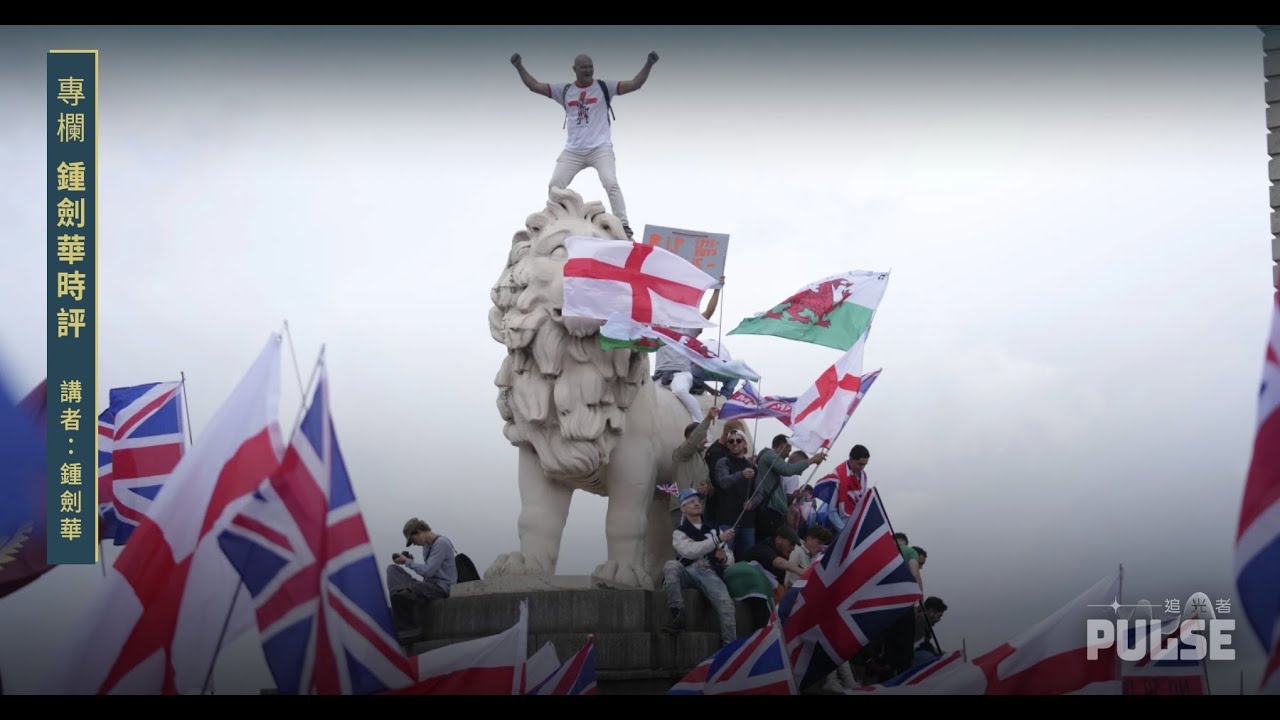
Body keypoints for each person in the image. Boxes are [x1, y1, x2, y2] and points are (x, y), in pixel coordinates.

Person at [510, 51, 659, 239]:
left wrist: (649, 63)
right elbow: (534, 86)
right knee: (555, 185)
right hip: (574, 151)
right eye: (583, 67)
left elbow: (635, 84)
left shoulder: (605, 87)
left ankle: (623, 223)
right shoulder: (564, 90)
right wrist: (519, 66)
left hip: (600, 148)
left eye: (590, 66)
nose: (588, 70)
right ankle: (555, 221)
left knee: (610, 182)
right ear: (575, 70)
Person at [661, 488, 737, 647]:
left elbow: (730, 557)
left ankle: (729, 648)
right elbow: (690, 551)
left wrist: (723, 559)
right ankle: (677, 614)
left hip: (710, 572)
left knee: (727, 607)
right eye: (691, 501)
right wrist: (717, 540)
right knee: (671, 566)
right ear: (683, 508)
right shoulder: (679, 532)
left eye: (698, 500)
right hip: (688, 570)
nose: (696, 503)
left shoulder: (715, 529)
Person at [652, 282, 723, 421]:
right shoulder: (658, 329)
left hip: (681, 374)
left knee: (679, 390)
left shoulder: (688, 329)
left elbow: (707, 313)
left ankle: (700, 425)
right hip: (660, 376)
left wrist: (717, 290)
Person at [387, 518, 458, 634]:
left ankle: (409, 630)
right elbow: (429, 570)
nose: (413, 544)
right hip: (428, 585)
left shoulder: (442, 543)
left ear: (419, 531)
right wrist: (410, 560)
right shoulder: (426, 547)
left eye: (412, 539)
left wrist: (407, 562)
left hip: (440, 588)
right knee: (392, 569)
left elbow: (428, 571)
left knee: (401, 593)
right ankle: (400, 593)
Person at [669, 406, 719, 528]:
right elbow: (693, 441)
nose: (706, 440)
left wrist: (709, 489)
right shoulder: (680, 454)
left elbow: (710, 487)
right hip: (683, 509)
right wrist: (708, 419)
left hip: (698, 512)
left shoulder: (703, 461)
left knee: (695, 547)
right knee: (683, 546)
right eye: (704, 436)